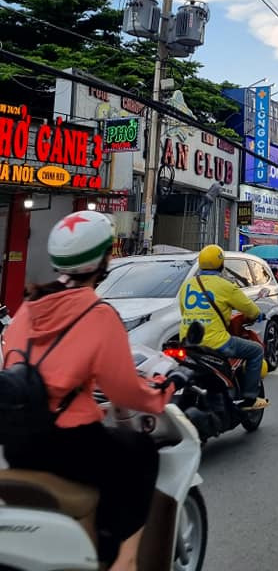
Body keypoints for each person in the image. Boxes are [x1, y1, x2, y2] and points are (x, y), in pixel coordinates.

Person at [2, 210, 177, 571]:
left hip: (19, 445)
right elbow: (125, 392)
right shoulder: (97, 315)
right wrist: (159, 393)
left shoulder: (26, 310)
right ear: (102, 260)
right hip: (70, 445)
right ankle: (125, 560)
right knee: (142, 453)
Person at [178, 244, 269, 410]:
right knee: (256, 351)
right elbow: (250, 309)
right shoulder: (226, 286)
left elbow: (184, 311)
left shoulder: (187, 286)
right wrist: (258, 316)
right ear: (221, 264)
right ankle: (250, 398)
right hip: (216, 343)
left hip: (188, 343)